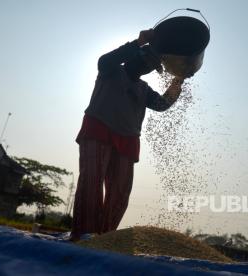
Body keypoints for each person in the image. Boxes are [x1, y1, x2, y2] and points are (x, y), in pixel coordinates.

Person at [71, 29, 185, 241]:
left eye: (150, 66)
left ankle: (105, 238)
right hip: (98, 129)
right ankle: (84, 235)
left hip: (128, 139)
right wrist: (138, 42)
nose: (146, 67)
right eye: (144, 61)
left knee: (120, 193)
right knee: (91, 183)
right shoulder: (111, 70)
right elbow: (105, 59)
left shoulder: (144, 89)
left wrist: (178, 82)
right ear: (134, 56)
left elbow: (161, 105)